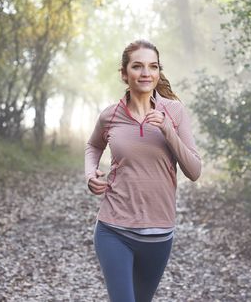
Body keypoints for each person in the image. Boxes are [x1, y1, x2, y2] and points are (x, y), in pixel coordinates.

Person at [84, 40, 201, 302]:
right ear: (125, 74)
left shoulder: (174, 112)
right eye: (137, 66)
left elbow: (194, 171)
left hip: (159, 234)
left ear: (159, 72)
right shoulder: (110, 115)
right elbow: (93, 146)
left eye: (153, 66)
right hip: (113, 228)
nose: (146, 73)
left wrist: (168, 131)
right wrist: (90, 173)